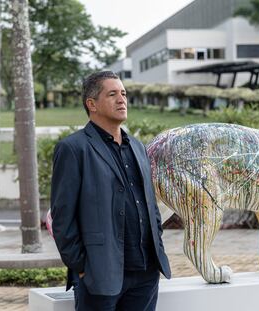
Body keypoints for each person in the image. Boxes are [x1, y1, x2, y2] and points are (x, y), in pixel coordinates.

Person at [51, 71, 171, 311]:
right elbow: (63, 217)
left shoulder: (137, 147)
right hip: (99, 276)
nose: (122, 100)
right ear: (91, 104)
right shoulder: (73, 149)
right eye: (113, 94)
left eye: (124, 94)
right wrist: (83, 267)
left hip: (146, 274)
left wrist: (156, 243)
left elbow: (150, 204)